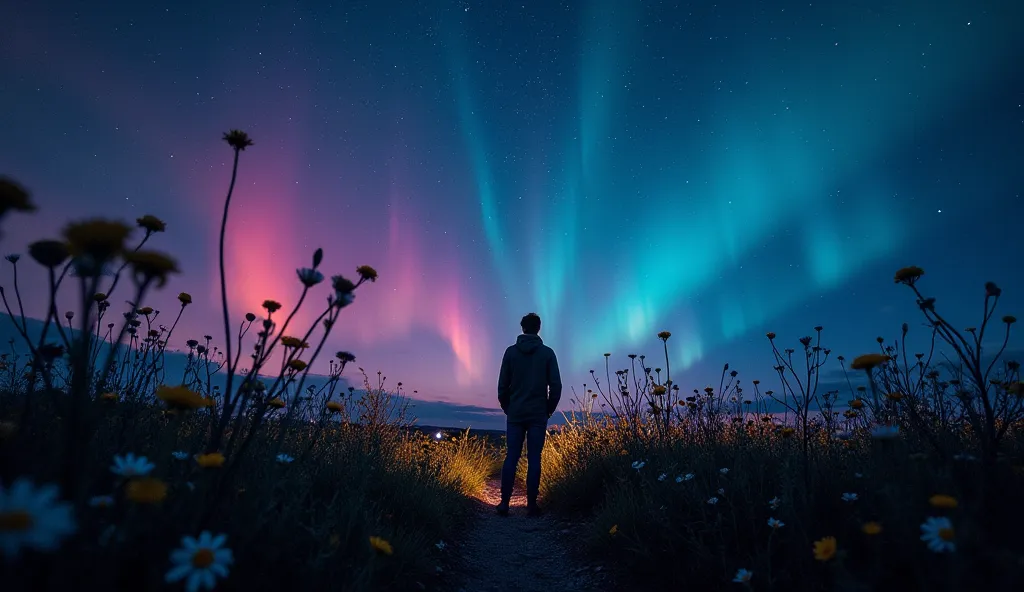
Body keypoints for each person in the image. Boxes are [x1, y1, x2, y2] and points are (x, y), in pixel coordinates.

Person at [496, 312, 562, 517]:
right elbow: (556, 386)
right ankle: (532, 504)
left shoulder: (510, 353)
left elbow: (502, 386)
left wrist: (508, 407)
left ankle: (504, 503)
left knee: (511, 457)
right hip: (537, 414)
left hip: (515, 413)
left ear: (522, 328)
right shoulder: (547, 353)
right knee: (535, 458)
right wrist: (548, 409)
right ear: (538, 328)